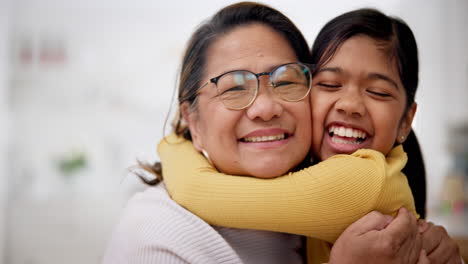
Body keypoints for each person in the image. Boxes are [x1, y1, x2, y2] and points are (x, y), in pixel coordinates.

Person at [157, 7, 462, 264]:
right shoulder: (157, 235)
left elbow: (198, 192)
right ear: (192, 117)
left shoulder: (364, 181)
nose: (350, 105)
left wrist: (173, 145)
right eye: (329, 85)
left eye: (378, 92)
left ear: (406, 121)